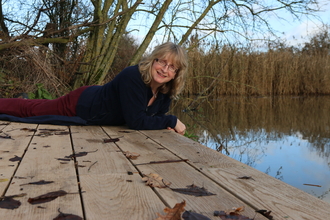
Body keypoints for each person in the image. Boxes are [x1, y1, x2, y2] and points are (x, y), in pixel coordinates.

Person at [0, 42, 188, 135]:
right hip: (82, 104)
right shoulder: (133, 76)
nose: (165, 69)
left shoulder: (166, 91)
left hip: (97, 109)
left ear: (176, 73)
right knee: (32, 110)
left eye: (172, 67)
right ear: (153, 60)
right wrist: (170, 121)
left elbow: (155, 118)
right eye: (162, 62)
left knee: (38, 106)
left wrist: (165, 123)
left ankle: (19, 100)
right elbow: (137, 121)